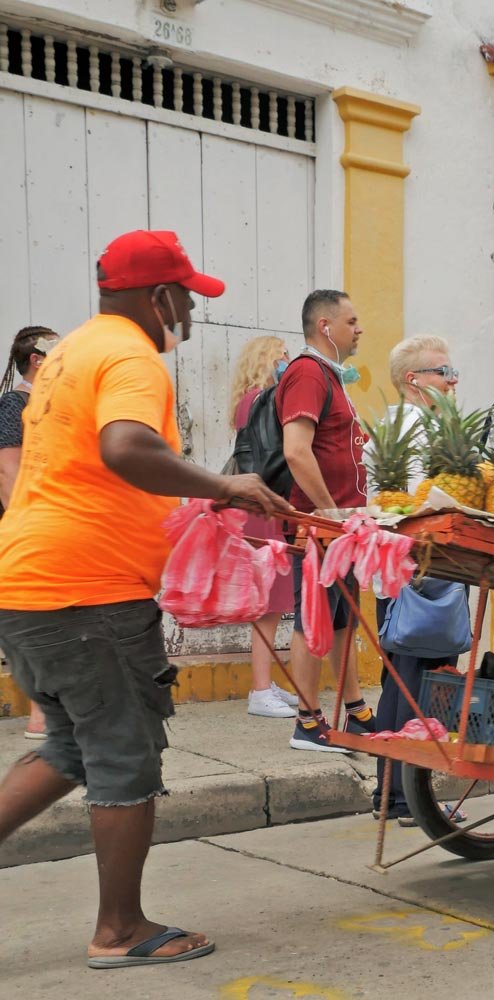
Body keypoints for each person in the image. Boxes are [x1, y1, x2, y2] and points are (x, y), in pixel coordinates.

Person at [0, 229, 291, 969]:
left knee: (70, 746)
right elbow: (125, 447)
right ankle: (119, 931)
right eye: (187, 296)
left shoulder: (69, 351)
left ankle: (120, 924)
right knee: (125, 755)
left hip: (30, 581)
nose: (190, 312)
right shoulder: (132, 355)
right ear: (159, 296)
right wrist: (223, 484)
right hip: (87, 593)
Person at [368, 335, 463, 823]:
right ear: (414, 380)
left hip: (403, 570)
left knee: (402, 680)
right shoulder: (415, 427)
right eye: (443, 371)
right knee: (418, 685)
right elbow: (418, 500)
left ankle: (392, 793)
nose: (453, 381)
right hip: (420, 569)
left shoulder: (402, 423)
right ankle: (404, 796)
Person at [277, 289, 375, 752]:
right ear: (325, 327)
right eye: (351, 321)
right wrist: (329, 513)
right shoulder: (307, 373)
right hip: (320, 528)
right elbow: (296, 450)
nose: (359, 330)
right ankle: (307, 721)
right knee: (311, 621)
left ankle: (355, 711)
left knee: (340, 621)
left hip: (342, 528)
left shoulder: (332, 378)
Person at [229, 336, 299, 718]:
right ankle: (259, 690)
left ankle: (264, 682)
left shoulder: (247, 401)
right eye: (282, 356)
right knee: (269, 605)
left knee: (269, 602)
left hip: (255, 508)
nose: (286, 362)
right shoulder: (263, 400)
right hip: (264, 508)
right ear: (267, 360)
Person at [0, 325, 61, 738]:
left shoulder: (47, 405)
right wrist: (26, 526)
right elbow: (8, 470)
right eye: (55, 353)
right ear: (37, 360)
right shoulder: (13, 405)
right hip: (23, 526)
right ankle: (43, 716)